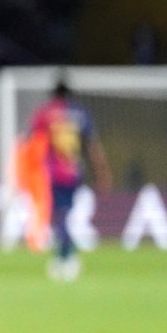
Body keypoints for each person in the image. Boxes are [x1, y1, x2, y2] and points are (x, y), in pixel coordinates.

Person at [28, 79, 112, 281]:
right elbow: (92, 146)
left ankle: (67, 256)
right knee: (62, 215)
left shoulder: (45, 113)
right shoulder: (80, 113)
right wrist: (102, 172)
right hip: (74, 173)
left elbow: (34, 144)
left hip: (52, 173)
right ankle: (64, 256)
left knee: (59, 217)